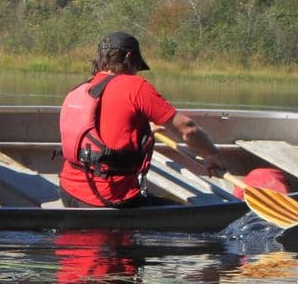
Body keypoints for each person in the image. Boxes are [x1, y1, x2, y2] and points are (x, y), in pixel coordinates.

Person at [58, 31, 225, 208]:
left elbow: (100, 130)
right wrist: (211, 155)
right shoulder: (136, 87)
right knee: (182, 213)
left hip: (69, 191)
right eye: (137, 65)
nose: (136, 71)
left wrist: (144, 129)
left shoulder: (84, 88)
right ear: (129, 57)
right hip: (108, 198)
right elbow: (187, 128)